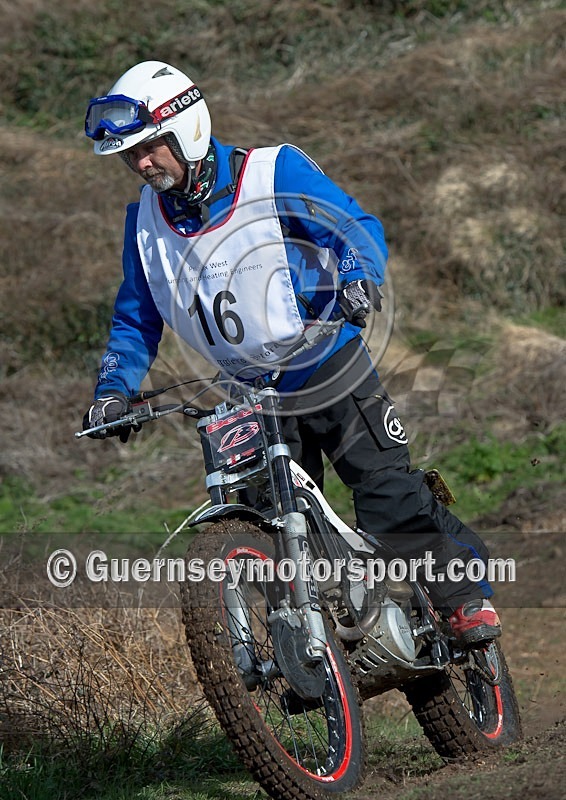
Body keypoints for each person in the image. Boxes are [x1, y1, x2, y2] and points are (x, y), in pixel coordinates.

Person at [82, 60, 501, 645]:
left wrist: (357, 275)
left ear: (187, 129)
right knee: (270, 526)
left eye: (149, 148)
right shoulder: (143, 223)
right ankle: (309, 644)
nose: (141, 164)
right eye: (131, 157)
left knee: (383, 491)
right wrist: (113, 389)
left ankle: (463, 595)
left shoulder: (272, 170)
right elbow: (136, 317)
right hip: (248, 395)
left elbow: (353, 226)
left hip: (327, 358)